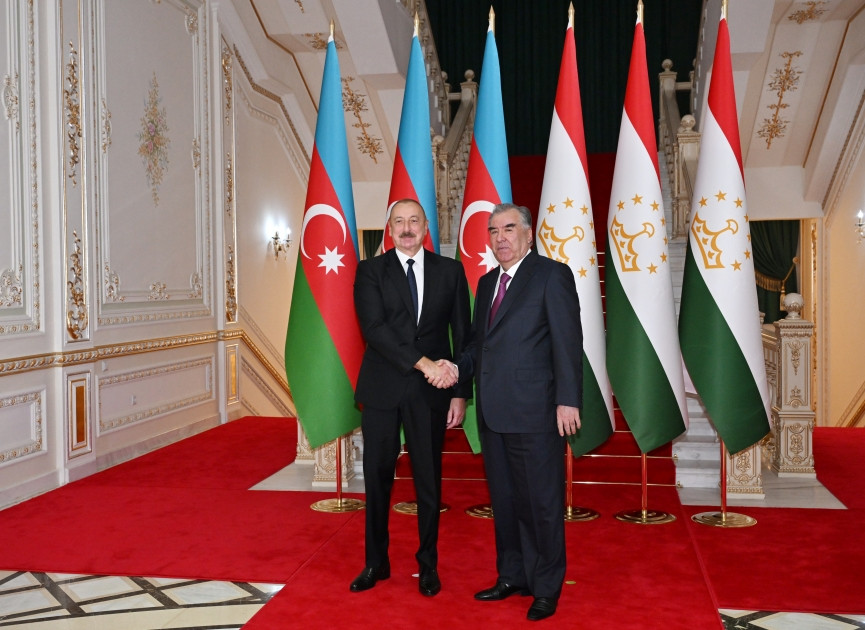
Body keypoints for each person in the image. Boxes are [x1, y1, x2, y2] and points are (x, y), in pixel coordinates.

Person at [457, 202, 582, 621]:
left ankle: (546, 587)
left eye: (509, 229)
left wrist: (568, 399)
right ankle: (512, 576)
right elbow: (478, 346)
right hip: (493, 413)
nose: (501, 238)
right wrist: (455, 369)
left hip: (536, 412)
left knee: (542, 504)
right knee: (506, 502)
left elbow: (568, 341)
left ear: (529, 234)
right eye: (494, 231)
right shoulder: (486, 283)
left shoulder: (551, 275)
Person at [350, 198, 471, 597]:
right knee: (377, 478)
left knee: (428, 482)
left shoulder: (450, 271)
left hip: (431, 395)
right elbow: (374, 329)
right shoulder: (369, 271)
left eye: (413, 221)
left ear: (425, 227)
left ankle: (428, 565)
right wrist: (425, 364)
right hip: (383, 389)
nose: (406, 228)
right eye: (399, 221)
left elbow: (462, 336)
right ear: (389, 229)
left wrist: (460, 394)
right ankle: (376, 562)